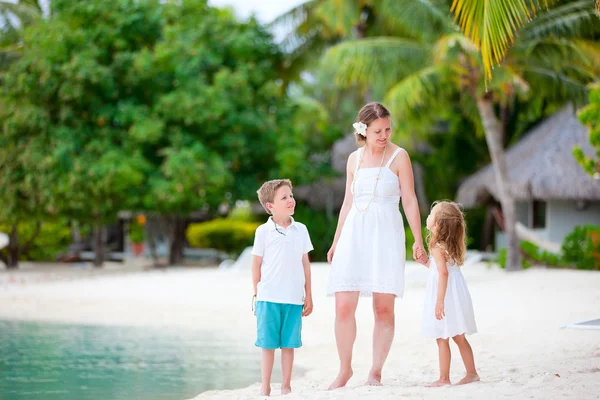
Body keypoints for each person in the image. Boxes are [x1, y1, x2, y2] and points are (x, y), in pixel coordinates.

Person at [326, 102, 428, 389]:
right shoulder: (353, 160)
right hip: (353, 236)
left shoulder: (399, 156)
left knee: (383, 309)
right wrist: (336, 241)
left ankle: (375, 372)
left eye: (387, 129)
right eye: (377, 131)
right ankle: (344, 370)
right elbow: (348, 203)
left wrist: (418, 240)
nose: (384, 135)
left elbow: (409, 199)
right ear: (363, 131)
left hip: (385, 236)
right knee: (343, 306)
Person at [251, 179, 314, 396]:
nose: (291, 200)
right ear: (270, 206)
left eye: (291, 195)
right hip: (268, 298)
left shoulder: (301, 230)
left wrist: (309, 295)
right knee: (267, 345)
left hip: (294, 298)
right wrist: (257, 293)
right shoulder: (263, 231)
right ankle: (265, 386)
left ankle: (286, 385)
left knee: (289, 344)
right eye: (284, 197)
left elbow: (305, 263)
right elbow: (256, 264)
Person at [422, 201, 479, 387]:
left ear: (437, 224)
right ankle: (472, 373)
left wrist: (439, 302)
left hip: (444, 294)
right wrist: (425, 263)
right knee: (459, 336)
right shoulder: (451, 245)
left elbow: (443, 274)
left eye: (432, 213)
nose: (428, 216)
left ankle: (444, 378)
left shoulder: (437, 246)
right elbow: (440, 270)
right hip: (455, 293)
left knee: (442, 336)